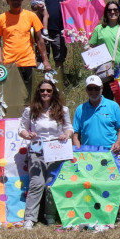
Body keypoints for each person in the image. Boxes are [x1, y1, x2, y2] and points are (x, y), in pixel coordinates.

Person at [18, 80, 72, 229]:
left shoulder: (63, 110)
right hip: (37, 150)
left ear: (53, 92)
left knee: (51, 184)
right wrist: (28, 135)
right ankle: (30, 218)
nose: (45, 93)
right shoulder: (30, 111)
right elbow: (21, 129)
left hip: (57, 150)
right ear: (38, 92)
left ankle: (51, 217)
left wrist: (66, 135)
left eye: (48, 90)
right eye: (42, 91)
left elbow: (69, 128)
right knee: (37, 183)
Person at [0, 0, 50, 96]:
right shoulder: (1, 18)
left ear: (22, 0)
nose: (15, 2)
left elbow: (39, 40)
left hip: (28, 62)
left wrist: (45, 61)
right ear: (7, 1)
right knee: (12, 96)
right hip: (10, 63)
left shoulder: (31, 16)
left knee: (31, 95)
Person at [72, 75, 120, 155]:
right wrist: (78, 152)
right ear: (86, 90)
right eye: (90, 88)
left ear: (102, 88)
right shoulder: (80, 109)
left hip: (110, 152)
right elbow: (76, 134)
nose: (93, 92)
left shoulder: (113, 106)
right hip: (88, 154)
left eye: (96, 88)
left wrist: (118, 143)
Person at [87, 2, 120, 78]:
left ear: (119, 12)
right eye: (109, 10)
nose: (112, 12)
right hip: (104, 70)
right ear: (106, 13)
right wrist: (89, 61)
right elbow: (91, 47)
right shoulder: (99, 29)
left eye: (115, 10)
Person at [42, 0, 71, 70]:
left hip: (59, 31)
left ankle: (59, 80)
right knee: (42, 56)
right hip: (44, 30)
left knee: (59, 57)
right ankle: (42, 82)